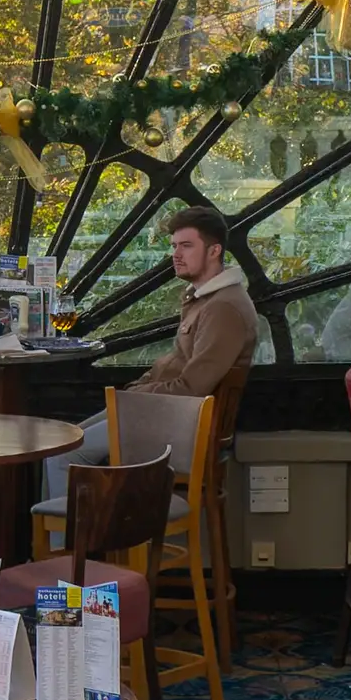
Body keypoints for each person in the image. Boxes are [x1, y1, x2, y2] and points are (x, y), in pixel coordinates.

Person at [45, 204, 258, 507]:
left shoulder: (223, 307)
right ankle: (67, 544)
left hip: (177, 426)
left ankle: (68, 551)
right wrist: (136, 393)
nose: (176, 254)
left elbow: (192, 388)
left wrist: (137, 394)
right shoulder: (206, 299)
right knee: (65, 439)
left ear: (214, 251)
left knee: (63, 453)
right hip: (159, 413)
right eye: (174, 246)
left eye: (187, 245)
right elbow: (175, 369)